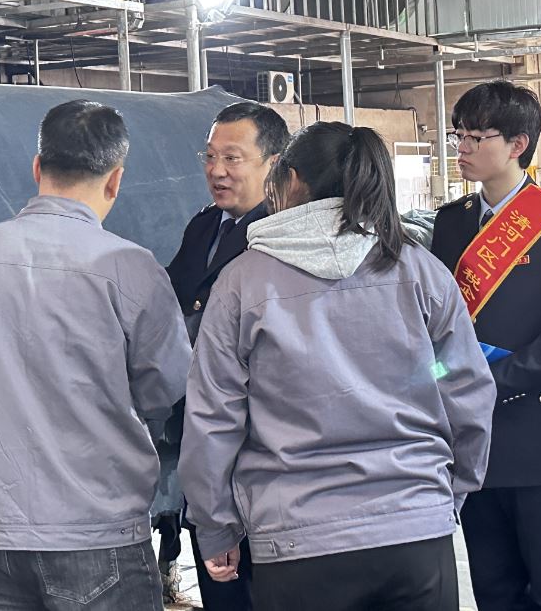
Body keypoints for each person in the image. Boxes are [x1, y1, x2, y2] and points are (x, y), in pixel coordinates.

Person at [180, 122, 496, 611]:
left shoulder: (242, 282)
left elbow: (213, 417)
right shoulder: (419, 269)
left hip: (295, 537)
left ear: (291, 180)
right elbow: (467, 388)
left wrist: (216, 523)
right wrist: (447, 494)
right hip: (414, 527)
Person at [0, 100, 191, 611]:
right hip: (97, 532)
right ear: (116, 180)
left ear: (36, 168)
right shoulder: (130, 269)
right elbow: (166, 387)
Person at [431, 81, 541, 611]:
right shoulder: (452, 221)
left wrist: (490, 381)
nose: (461, 148)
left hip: (539, 436)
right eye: (458, 136)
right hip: (470, 436)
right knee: (493, 585)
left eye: (475, 137)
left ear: (517, 144)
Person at [161, 101, 289, 609]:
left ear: (273, 163)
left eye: (232, 158)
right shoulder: (203, 225)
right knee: (221, 587)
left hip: (262, 441)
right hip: (205, 434)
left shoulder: (283, 235)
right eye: (210, 156)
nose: (216, 170)